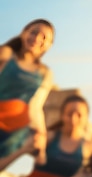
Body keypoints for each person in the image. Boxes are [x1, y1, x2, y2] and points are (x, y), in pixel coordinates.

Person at [0, 19, 55, 166]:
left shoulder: (44, 73)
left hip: (13, 135)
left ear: (49, 45)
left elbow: (36, 107)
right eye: (34, 32)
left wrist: (41, 146)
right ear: (24, 33)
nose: (37, 38)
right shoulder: (5, 54)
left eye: (44, 37)